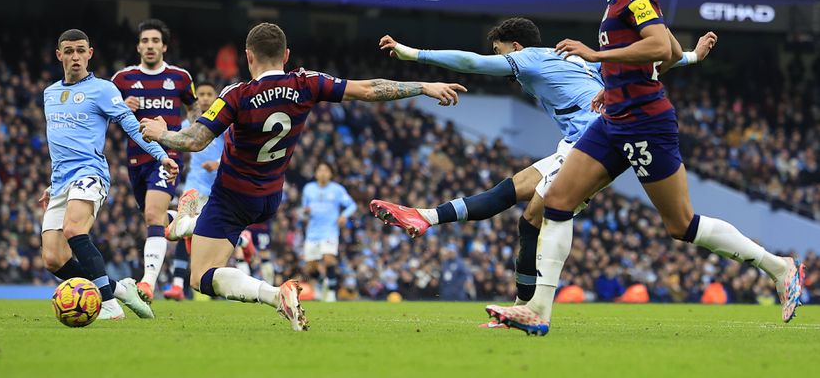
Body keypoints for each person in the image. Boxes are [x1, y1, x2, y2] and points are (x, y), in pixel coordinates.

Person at [486, 0, 805, 335]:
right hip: (614, 117)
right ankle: (538, 311)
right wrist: (616, 84)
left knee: (681, 224)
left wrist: (596, 55)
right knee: (558, 200)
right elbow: (669, 53)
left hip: (644, 122)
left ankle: (779, 268)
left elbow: (656, 45)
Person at [370, 19, 715, 314]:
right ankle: (427, 218)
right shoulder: (571, 58)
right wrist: (692, 57)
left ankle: (525, 307)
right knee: (514, 191)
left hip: (594, 142)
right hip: (579, 140)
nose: (499, 58)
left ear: (516, 47)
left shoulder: (530, 58)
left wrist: (413, 53)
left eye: (500, 50)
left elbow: (473, 63)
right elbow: (642, 66)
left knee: (534, 216)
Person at [139, 22, 467, 331]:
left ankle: (271, 292)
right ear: (286, 55)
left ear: (248, 56)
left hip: (232, 196)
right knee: (196, 236)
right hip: (270, 197)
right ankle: (188, 223)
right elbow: (369, 89)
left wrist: (160, 133)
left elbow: (195, 140)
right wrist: (423, 86)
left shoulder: (237, 94)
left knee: (200, 276)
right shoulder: (305, 82)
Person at [39, 29, 179, 320]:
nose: (75, 57)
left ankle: (109, 304)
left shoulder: (103, 89)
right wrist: (52, 185)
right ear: (59, 55)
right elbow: (60, 143)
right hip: (61, 180)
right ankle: (120, 290)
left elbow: (132, 126)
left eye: (81, 50)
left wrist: (161, 156)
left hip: (90, 173)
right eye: (69, 51)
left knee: (74, 229)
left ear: (90, 54)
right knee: (53, 259)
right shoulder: (49, 93)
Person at [111, 19, 197, 303]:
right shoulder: (122, 80)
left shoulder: (180, 78)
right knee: (156, 221)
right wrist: (121, 108)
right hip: (136, 160)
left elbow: (194, 110)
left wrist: (188, 137)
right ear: (138, 46)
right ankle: (182, 222)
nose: (150, 45)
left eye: (155, 41)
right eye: (145, 41)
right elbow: (104, 116)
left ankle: (147, 283)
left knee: (151, 215)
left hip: (167, 156)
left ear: (164, 46)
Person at [163, 81, 225, 301]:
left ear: (216, 98)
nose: (205, 98)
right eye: (201, 95)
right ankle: (177, 285)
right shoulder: (188, 124)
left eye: (210, 94)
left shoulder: (224, 124)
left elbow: (236, 150)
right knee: (182, 228)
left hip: (219, 189)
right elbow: (171, 142)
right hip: (194, 186)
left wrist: (218, 163)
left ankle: (243, 244)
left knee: (214, 236)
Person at [301, 162, 357, 302]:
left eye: (326, 170)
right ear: (315, 173)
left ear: (331, 173)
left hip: (330, 231)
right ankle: (323, 282)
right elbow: (304, 208)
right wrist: (306, 211)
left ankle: (331, 293)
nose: (323, 173)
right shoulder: (308, 189)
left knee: (328, 258)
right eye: (320, 170)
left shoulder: (337, 190)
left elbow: (352, 205)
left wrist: (344, 216)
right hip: (312, 232)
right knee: (310, 268)